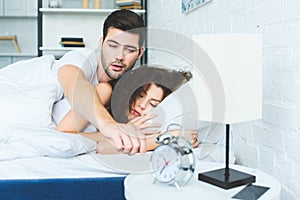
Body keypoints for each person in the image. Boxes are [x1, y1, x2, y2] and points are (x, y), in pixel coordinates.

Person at [53, 9, 147, 155]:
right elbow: (75, 86)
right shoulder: (81, 59)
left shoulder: (123, 88)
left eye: (129, 50)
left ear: (140, 53)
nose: (119, 57)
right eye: (113, 46)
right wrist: (109, 126)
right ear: (101, 43)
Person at [56, 66, 199, 154]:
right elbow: (62, 136)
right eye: (140, 95)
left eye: (153, 104)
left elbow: (105, 147)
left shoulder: (140, 125)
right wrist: (166, 138)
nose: (142, 105)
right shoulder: (104, 91)